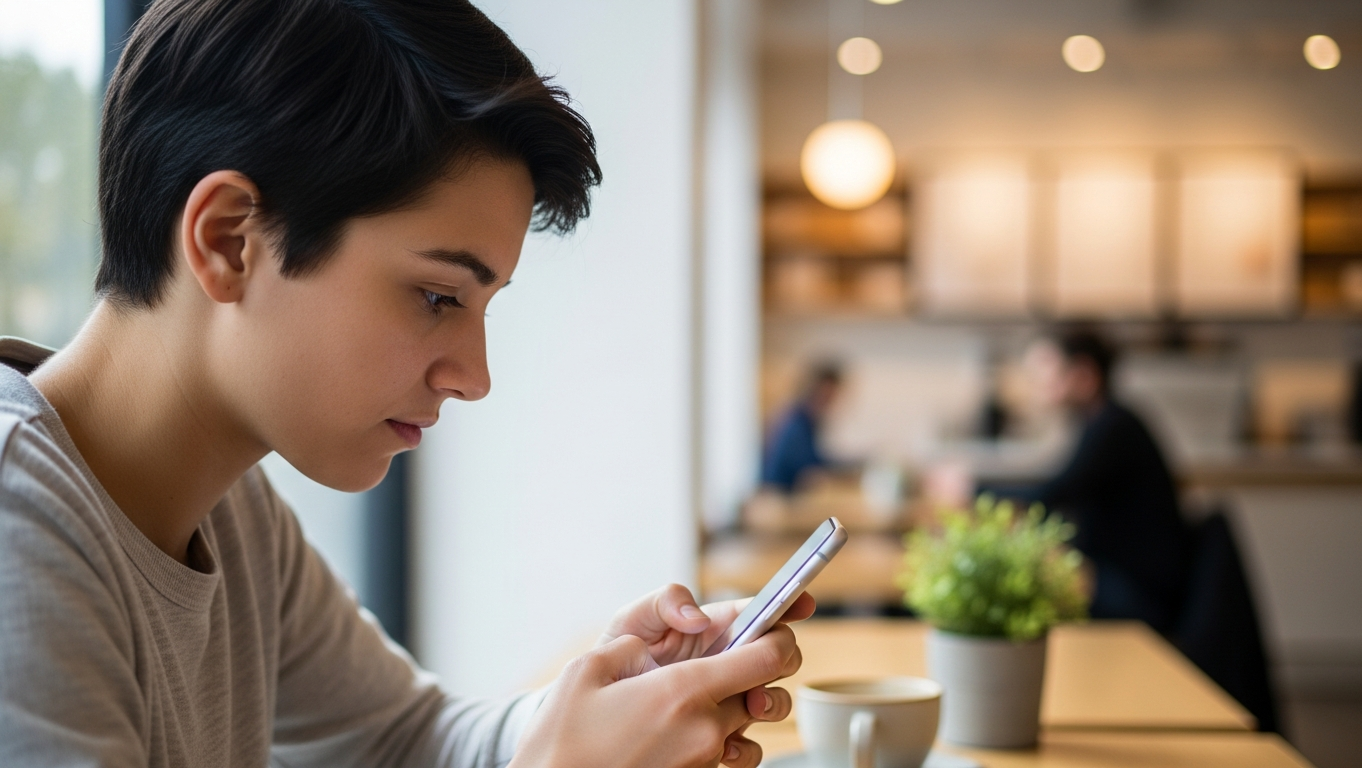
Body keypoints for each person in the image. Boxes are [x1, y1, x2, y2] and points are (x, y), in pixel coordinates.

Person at [0, 2, 810, 767]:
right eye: (436, 297)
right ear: (229, 240)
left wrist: (594, 706)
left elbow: (405, 741)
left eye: (481, 308)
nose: (475, 378)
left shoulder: (226, 507)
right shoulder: (19, 533)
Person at [1012, 328, 1188, 634]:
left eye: (1046, 375)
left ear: (1084, 376)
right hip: (1120, 577)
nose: (1038, 386)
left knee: (1023, 601)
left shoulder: (1114, 428)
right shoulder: (1102, 422)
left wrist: (971, 489)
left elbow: (1055, 493)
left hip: (1137, 594)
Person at [760, 362, 843, 492]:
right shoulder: (795, 423)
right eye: (827, 395)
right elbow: (808, 466)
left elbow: (816, 460)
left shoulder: (804, 420)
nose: (830, 402)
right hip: (777, 497)